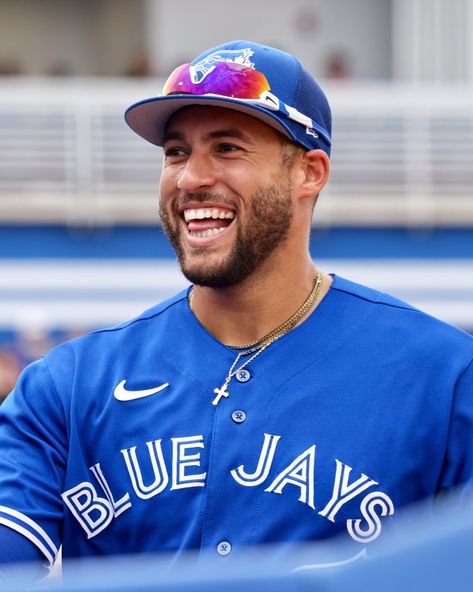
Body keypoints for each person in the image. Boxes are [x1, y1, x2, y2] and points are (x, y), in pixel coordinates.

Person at [0, 39, 473, 580]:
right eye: (176, 152)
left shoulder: (445, 376)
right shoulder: (67, 385)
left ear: (309, 173)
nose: (190, 178)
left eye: (227, 148)